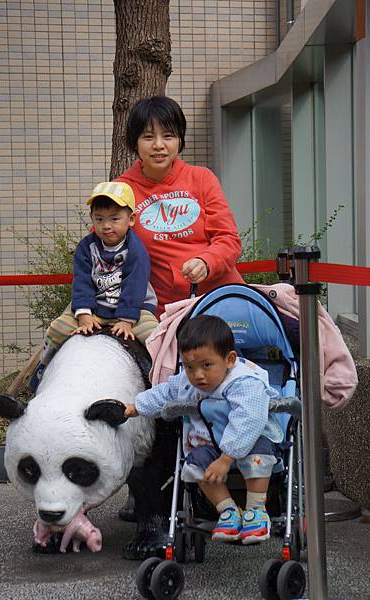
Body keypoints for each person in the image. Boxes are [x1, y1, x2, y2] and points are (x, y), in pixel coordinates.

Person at [124, 315, 283, 544]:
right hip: (211, 444)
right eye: (189, 366)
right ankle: (228, 510)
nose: (198, 375)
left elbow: (247, 419)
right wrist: (136, 406)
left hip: (250, 441)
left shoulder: (244, 382)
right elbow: (166, 393)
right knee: (194, 463)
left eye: (206, 366)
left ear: (229, 360)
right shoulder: (189, 381)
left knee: (258, 453)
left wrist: (227, 458)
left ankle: (256, 509)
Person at [116, 95, 244, 314]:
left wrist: (206, 262)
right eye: (148, 137)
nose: (159, 145)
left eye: (168, 136)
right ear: (134, 142)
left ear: (179, 140)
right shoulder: (122, 190)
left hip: (222, 298)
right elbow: (102, 247)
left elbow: (229, 239)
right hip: (164, 311)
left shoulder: (202, 178)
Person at [29, 181, 158, 390]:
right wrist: (84, 314)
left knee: (155, 336)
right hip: (97, 306)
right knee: (57, 329)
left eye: (115, 219)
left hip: (133, 309)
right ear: (92, 219)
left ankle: (163, 378)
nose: (106, 226)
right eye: (100, 219)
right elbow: (82, 282)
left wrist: (126, 320)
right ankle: (43, 368)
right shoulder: (86, 247)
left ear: (131, 219)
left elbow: (135, 286)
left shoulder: (135, 250)